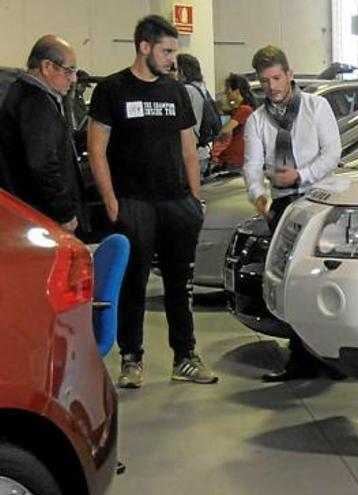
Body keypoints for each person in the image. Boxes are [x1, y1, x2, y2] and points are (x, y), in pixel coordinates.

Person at [87, 15, 218, 388]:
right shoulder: (112, 90)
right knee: (134, 283)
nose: (172, 59)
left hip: (177, 201)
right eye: (166, 51)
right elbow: (97, 149)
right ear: (144, 47)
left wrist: (195, 198)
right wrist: (112, 202)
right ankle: (132, 359)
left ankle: (185, 357)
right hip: (134, 202)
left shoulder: (174, 92)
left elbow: (189, 149)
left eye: (174, 52)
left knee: (180, 283)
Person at [243, 45, 341, 381]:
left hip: (319, 201)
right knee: (290, 284)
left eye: (275, 77)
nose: (271, 86)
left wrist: (301, 175)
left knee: (324, 280)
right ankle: (300, 360)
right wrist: (258, 195)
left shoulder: (317, 107)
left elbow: (332, 153)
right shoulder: (257, 121)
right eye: (264, 80)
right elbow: (252, 165)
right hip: (283, 207)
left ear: (289, 74)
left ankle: (332, 357)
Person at [0, 35, 87, 234]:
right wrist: (64, 211)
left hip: (23, 215)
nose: (73, 79)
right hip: (40, 216)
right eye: (69, 71)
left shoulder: (21, 94)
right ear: (47, 67)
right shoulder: (36, 103)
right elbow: (43, 164)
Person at [210, 73, 255, 170]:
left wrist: (216, 138)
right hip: (233, 157)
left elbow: (226, 130)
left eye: (227, 89)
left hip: (235, 159)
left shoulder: (244, 110)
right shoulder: (240, 109)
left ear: (237, 91)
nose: (225, 92)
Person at [176, 53, 211, 176]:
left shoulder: (186, 90)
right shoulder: (202, 88)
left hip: (190, 152)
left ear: (182, 70)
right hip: (202, 151)